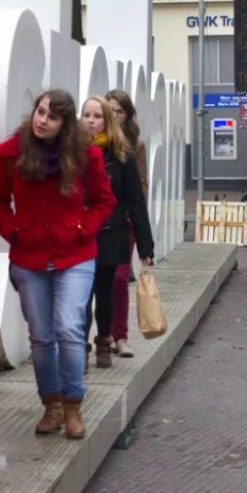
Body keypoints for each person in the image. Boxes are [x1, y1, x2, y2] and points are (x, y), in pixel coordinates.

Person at [0, 89, 116, 439]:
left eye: (52, 116)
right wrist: (14, 230)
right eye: (40, 112)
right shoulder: (12, 153)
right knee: (42, 338)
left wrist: (83, 229)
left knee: (69, 328)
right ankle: (52, 405)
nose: (42, 120)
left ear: (64, 124)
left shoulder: (84, 155)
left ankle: (74, 405)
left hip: (75, 254)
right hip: (29, 256)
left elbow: (105, 200)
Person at [80, 95, 155, 369]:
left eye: (97, 116)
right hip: (79, 236)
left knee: (105, 291)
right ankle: (81, 348)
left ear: (108, 121)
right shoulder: (71, 153)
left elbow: (135, 200)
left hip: (111, 233)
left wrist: (146, 247)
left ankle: (103, 341)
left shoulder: (123, 156)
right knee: (81, 295)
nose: (91, 121)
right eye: (86, 115)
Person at [105, 89, 148, 359]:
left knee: (120, 278)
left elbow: (142, 183)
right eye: (110, 110)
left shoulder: (136, 145)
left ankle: (120, 336)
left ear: (127, 115)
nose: (115, 116)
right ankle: (103, 335)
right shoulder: (90, 142)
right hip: (98, 223)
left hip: (124, 221)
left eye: (119, 111)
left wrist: (138, 219)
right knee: (100, 280)